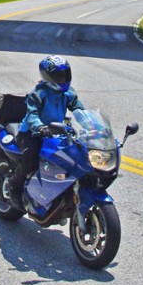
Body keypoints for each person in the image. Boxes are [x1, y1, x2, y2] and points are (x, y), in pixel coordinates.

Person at [7, 55, 85, 210]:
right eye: (57, 75)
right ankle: (14, 187)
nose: (62, 79)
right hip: (31, 133)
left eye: (65, 74)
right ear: (47, 76)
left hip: (56, 132)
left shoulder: (68, 93)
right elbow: (32, 114)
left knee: (73, 157)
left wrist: (89, 124)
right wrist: (40, 127)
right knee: (30, 160)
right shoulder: (38, 92)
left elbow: (79, 110)